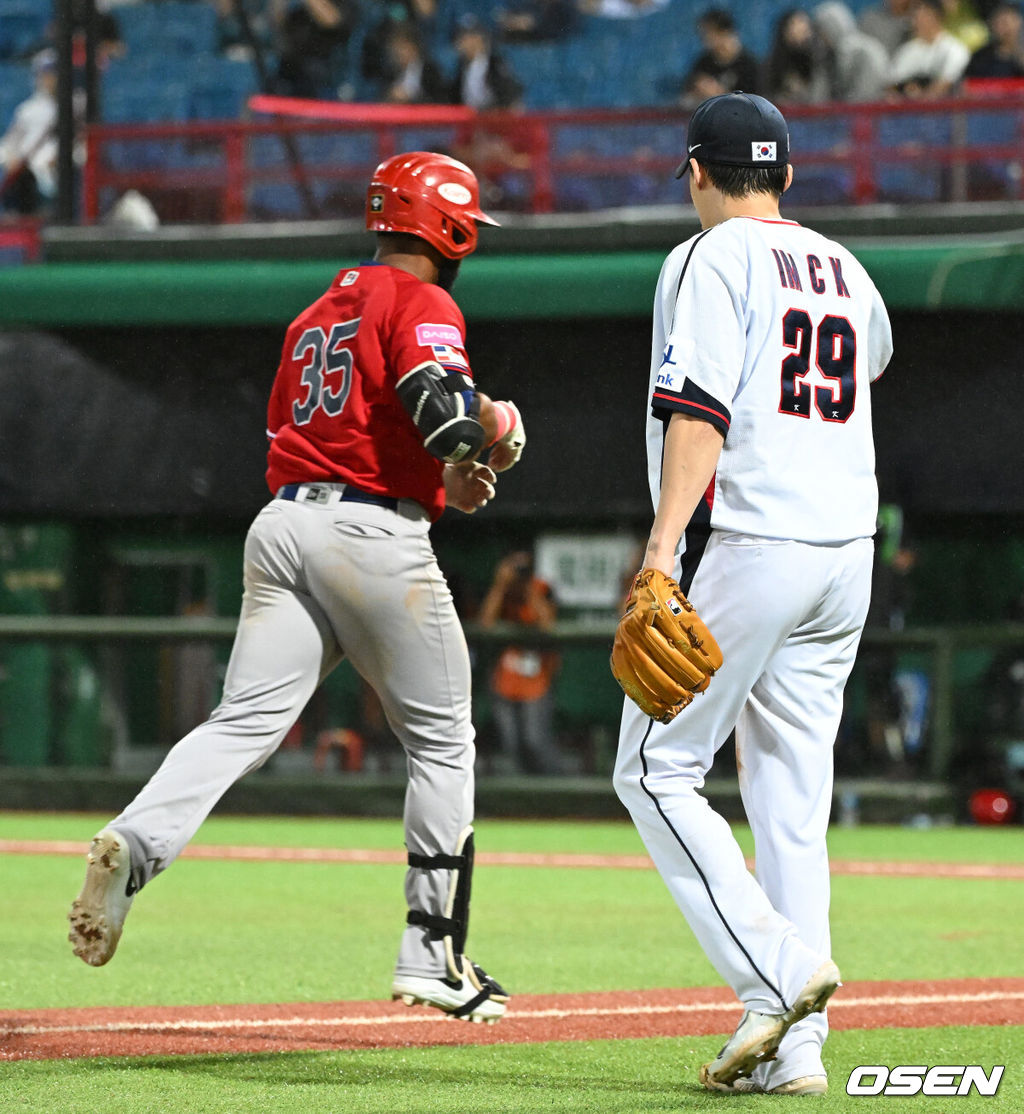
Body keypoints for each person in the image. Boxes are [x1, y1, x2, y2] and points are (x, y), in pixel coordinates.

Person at [67, 151, 528, 1025]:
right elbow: (450, 415)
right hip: (368, 536)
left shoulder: (321, 306)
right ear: (451, 228)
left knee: (241, 722)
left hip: (284, 524)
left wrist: (443, 481)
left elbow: (362, 428)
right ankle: (432, 955)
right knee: (444, 743)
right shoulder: (423, 299)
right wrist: (495, 430)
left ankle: (135, 841)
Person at [612, 92, 893, 1096]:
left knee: (652, 767)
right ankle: (797, 1057)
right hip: (844, 550)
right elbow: (869, 366)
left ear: (696, 171)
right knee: (788, 796)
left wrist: (658, 553)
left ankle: (775, 973)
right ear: (785, 175)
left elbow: (698, 411)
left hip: (757, 536)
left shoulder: (708, 256)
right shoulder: (848, 269)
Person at [478, 550, 569, 774]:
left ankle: (554, 794)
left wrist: (527, 588)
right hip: (505, 679)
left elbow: (548, 623)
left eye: (523, 568)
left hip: (536, 678)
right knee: (512, 745)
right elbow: (485, 624)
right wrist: (501, 585)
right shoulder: (501, 591)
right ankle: (524, 804)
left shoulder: (541, 588)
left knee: (535, 741)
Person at [0, 50, 59, 217]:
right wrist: (9, 158)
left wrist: (60, 159)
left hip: (59, 175)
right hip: (26, 176)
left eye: (54, 72)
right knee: (21, 177)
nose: (50, 78)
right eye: (46, 73)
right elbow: (8, 145)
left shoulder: (76, 107)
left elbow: (82, 144)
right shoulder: (27, 110)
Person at [681, 9, 762, 107]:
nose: (704, 40)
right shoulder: (703, 63)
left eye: (708, 34)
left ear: (724, 32)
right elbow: (685, 99)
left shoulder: (750, 65)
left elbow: (755, 106)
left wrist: (720, 94)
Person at [889, 0, 970, 96]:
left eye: (925, 14)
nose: (918, 20)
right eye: (915, 15)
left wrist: (921, 98)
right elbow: (892, 85)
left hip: (944, 107)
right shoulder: (906, 50)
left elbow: (945, 84)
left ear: (937, 16)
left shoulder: (955, 49)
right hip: (908, 107)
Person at [814, 1, 891, 100]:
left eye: (823, 30)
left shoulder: (853, 50)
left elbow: (857, 93)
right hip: (863, 105)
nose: (822, 37)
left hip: (867, 106)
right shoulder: (852, 46)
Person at [448, 15, 525, 110]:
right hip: (470, 117)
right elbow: (454, 97)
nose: (465, 42)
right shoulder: (461, 67)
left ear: (481, 39)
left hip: (494, 116)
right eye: (463, 38)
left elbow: (510, 92)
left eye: (471, 37)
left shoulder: (494, 63)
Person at [763, 8, 830, 104]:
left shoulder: (819, 58)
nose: (801, 28)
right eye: (795, 23)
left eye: (804, 23)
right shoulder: (773, 64)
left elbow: (824, 94)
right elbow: (767, 95)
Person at [380, 24, 446, 104]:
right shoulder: (391, 73)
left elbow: (439, 101)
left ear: (415, 47)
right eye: (396, 47)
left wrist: (411, 98)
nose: (399, 52)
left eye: (403, 47)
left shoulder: (430, 71)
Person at [965, 0, 1024, 76]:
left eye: (1009, 22)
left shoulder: (1021, 56)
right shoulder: (980, 59)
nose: (1007, 28)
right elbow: (969, 84)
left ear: (1019, 22)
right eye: (1001, 22)